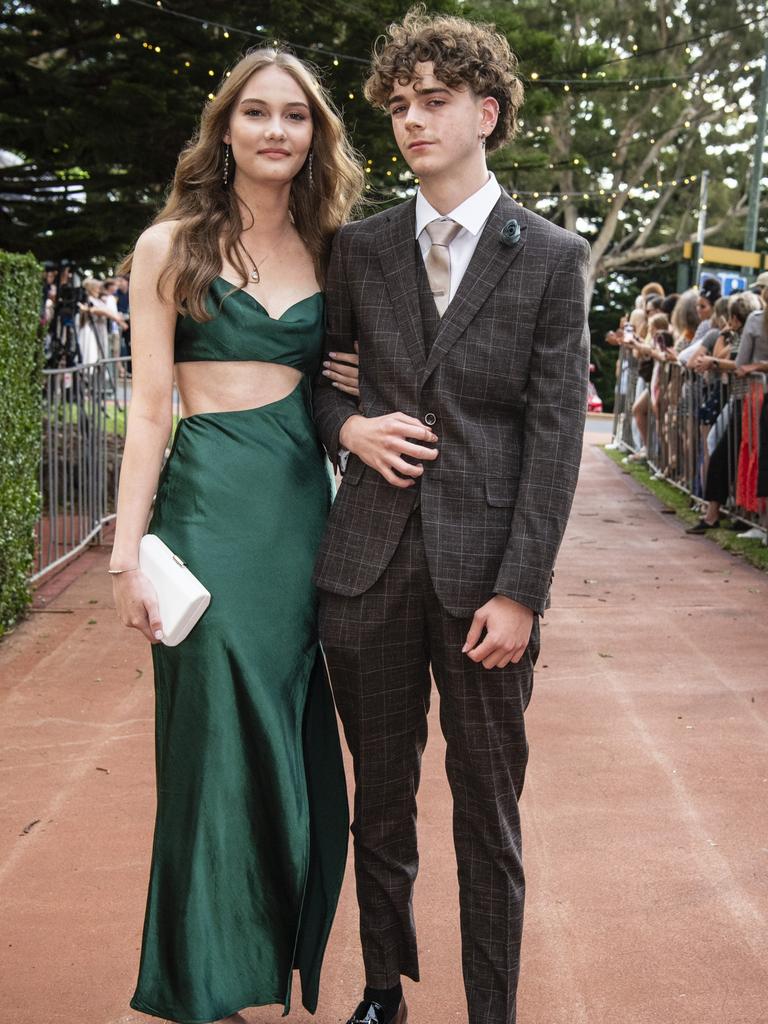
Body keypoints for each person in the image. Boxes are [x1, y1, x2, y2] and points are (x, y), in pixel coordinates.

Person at [313, 10, 590, 1024]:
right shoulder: (362, 248)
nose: (412, 121)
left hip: (487, 593)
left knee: (489, 818)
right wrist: (352, 431)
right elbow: (321, 387)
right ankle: (384, 992)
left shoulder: (554, 259)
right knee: (377, 805)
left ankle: (491, 1011)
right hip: (366, 572)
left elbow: (554, 442)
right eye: (398, 104)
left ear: (485, 111)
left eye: (433, 102)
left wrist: (521, 591)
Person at [109, 48, 364, 1024]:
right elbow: (144, 412)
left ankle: (266, 956)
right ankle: (198, 977)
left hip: (303, 517)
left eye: (294, 117)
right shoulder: (168, 245)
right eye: (255, 113)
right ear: (226, 128)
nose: (274, 131)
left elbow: (350, 391)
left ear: (314, 137)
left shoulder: (335, 247)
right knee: (212, 746)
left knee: (293, 743)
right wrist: (129, 554)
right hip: (206, 516)